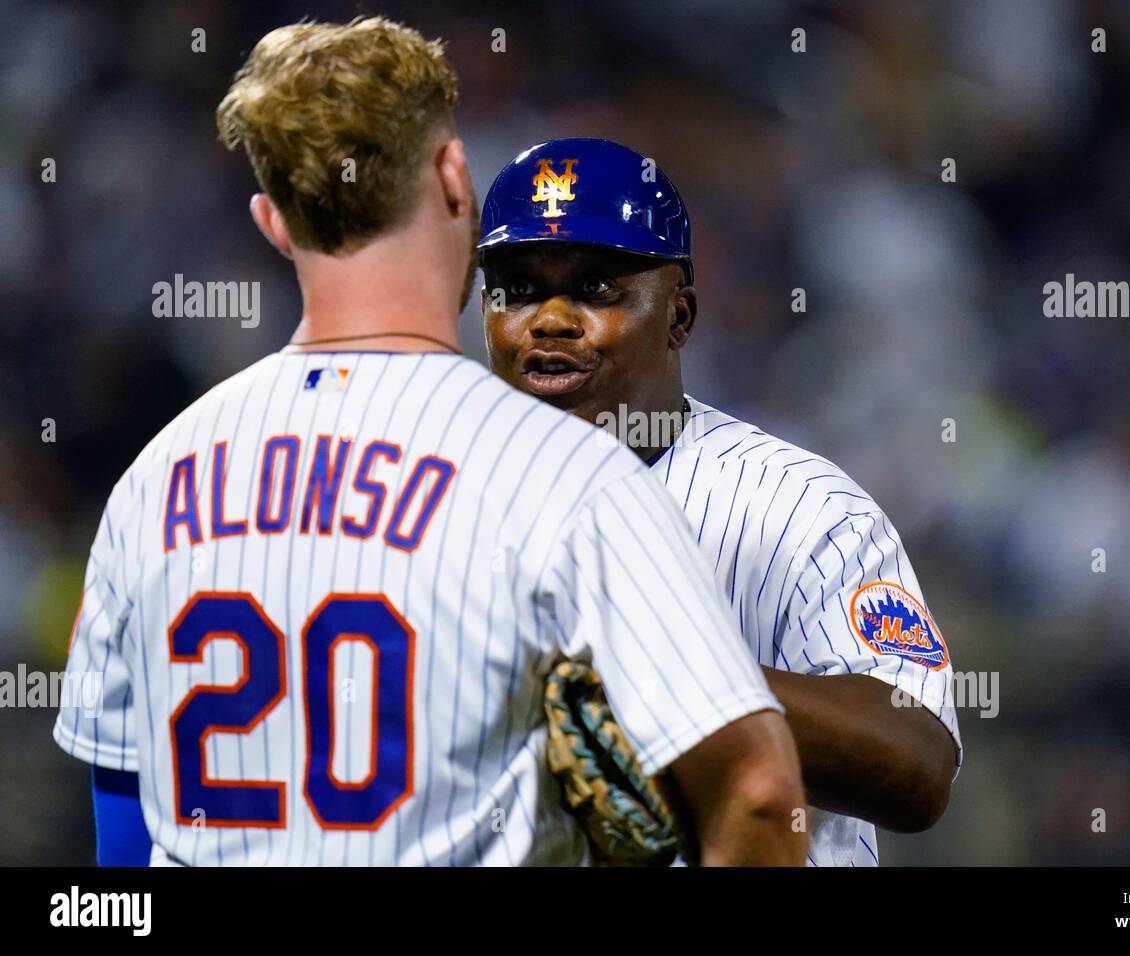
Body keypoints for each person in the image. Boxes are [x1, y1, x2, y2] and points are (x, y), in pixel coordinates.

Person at [54, 21, 805, 867]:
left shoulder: (154, 480)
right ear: (454, 178)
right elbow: (759, 793)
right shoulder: (563, 474)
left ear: (271, 222)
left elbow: (124, 842)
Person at [480, 137, 961, 866]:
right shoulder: (434, 501)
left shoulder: (799, 506)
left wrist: (646, 672)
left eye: (595, 288)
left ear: (679, 316)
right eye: (517, 288)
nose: (549, 319)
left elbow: (916, 763)